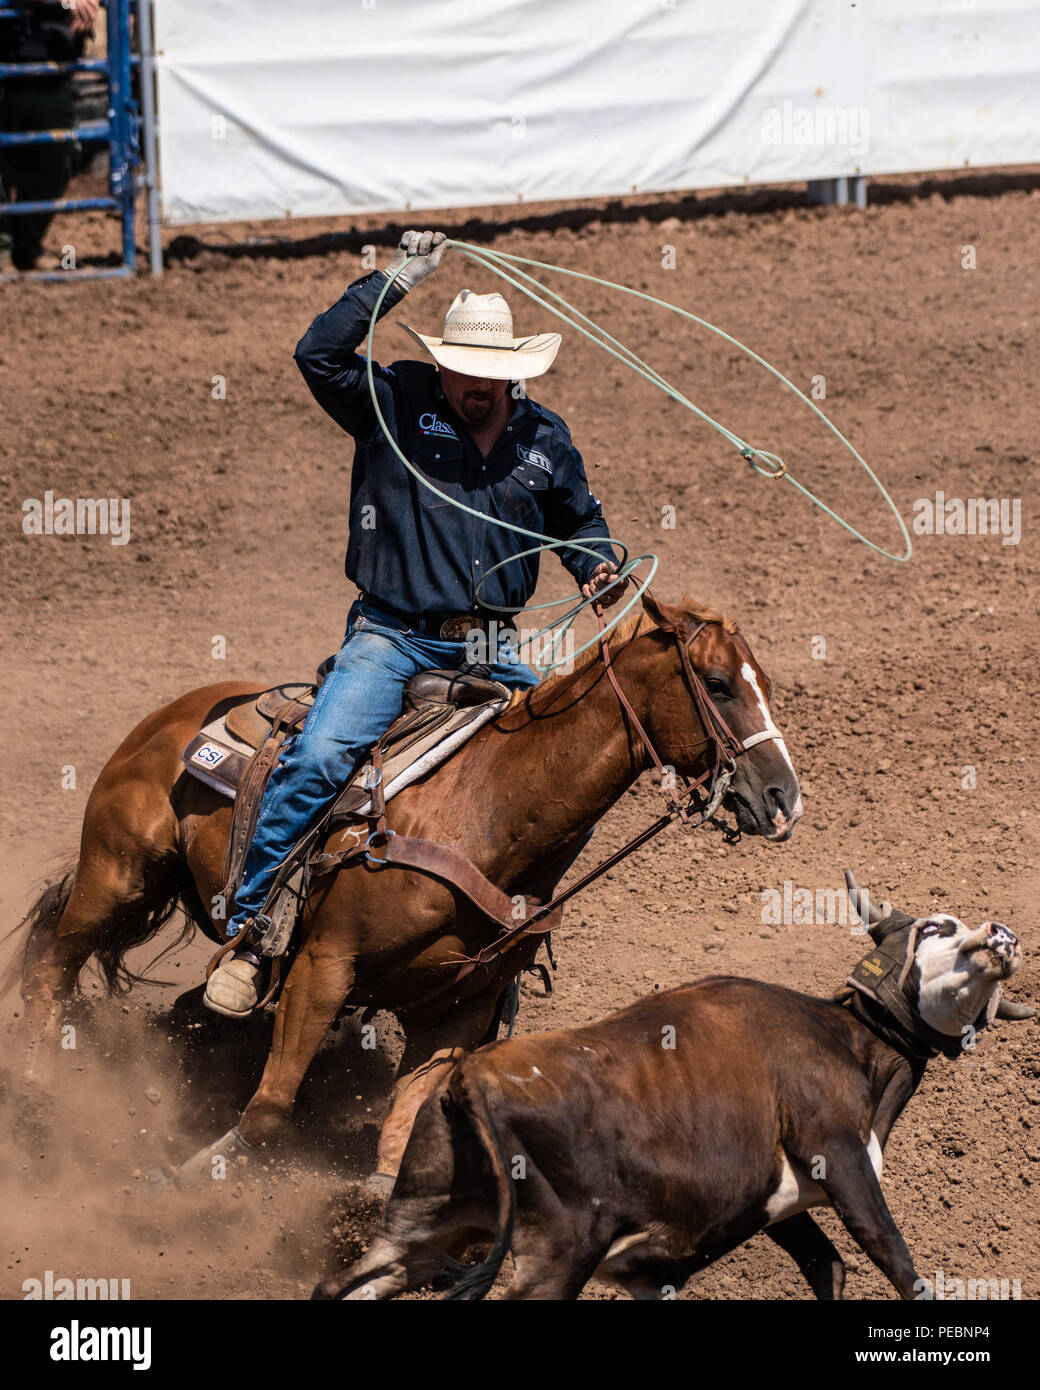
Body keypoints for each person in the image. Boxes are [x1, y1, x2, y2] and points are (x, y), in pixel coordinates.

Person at [204, 230, 627, 1017]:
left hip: (495, 644)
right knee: (325, 753)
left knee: (562, 766)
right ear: (442, 362)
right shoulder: (394, 402)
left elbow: (579, 522)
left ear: (515, 372)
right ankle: (255, 930)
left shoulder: (545, 441)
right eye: (467, 369)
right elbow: (317, 354)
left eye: (494, 373)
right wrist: (394, 278)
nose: (479, 385)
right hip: (394, 635)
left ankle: (499, 939)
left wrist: (596, 567)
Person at [0, 0, 97, 273]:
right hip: (7, 61)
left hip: (53, 66)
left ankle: (27, 246)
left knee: (60, 155)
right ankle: (2, 250)